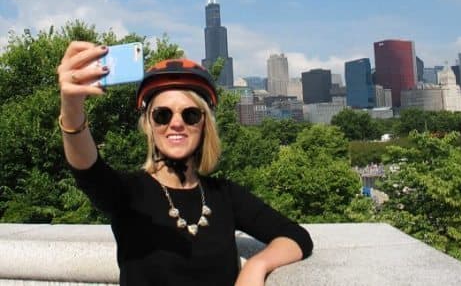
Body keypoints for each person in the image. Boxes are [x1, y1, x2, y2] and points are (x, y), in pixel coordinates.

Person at [57, 41, 313, 286]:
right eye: (162, 115)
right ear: (149, 125)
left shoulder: (224, 195)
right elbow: (87, 169)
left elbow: (296, 236)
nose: (176, 123)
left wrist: (258, 266)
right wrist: (72, 107)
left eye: (190, 115)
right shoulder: (127, 193)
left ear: (204, 125)